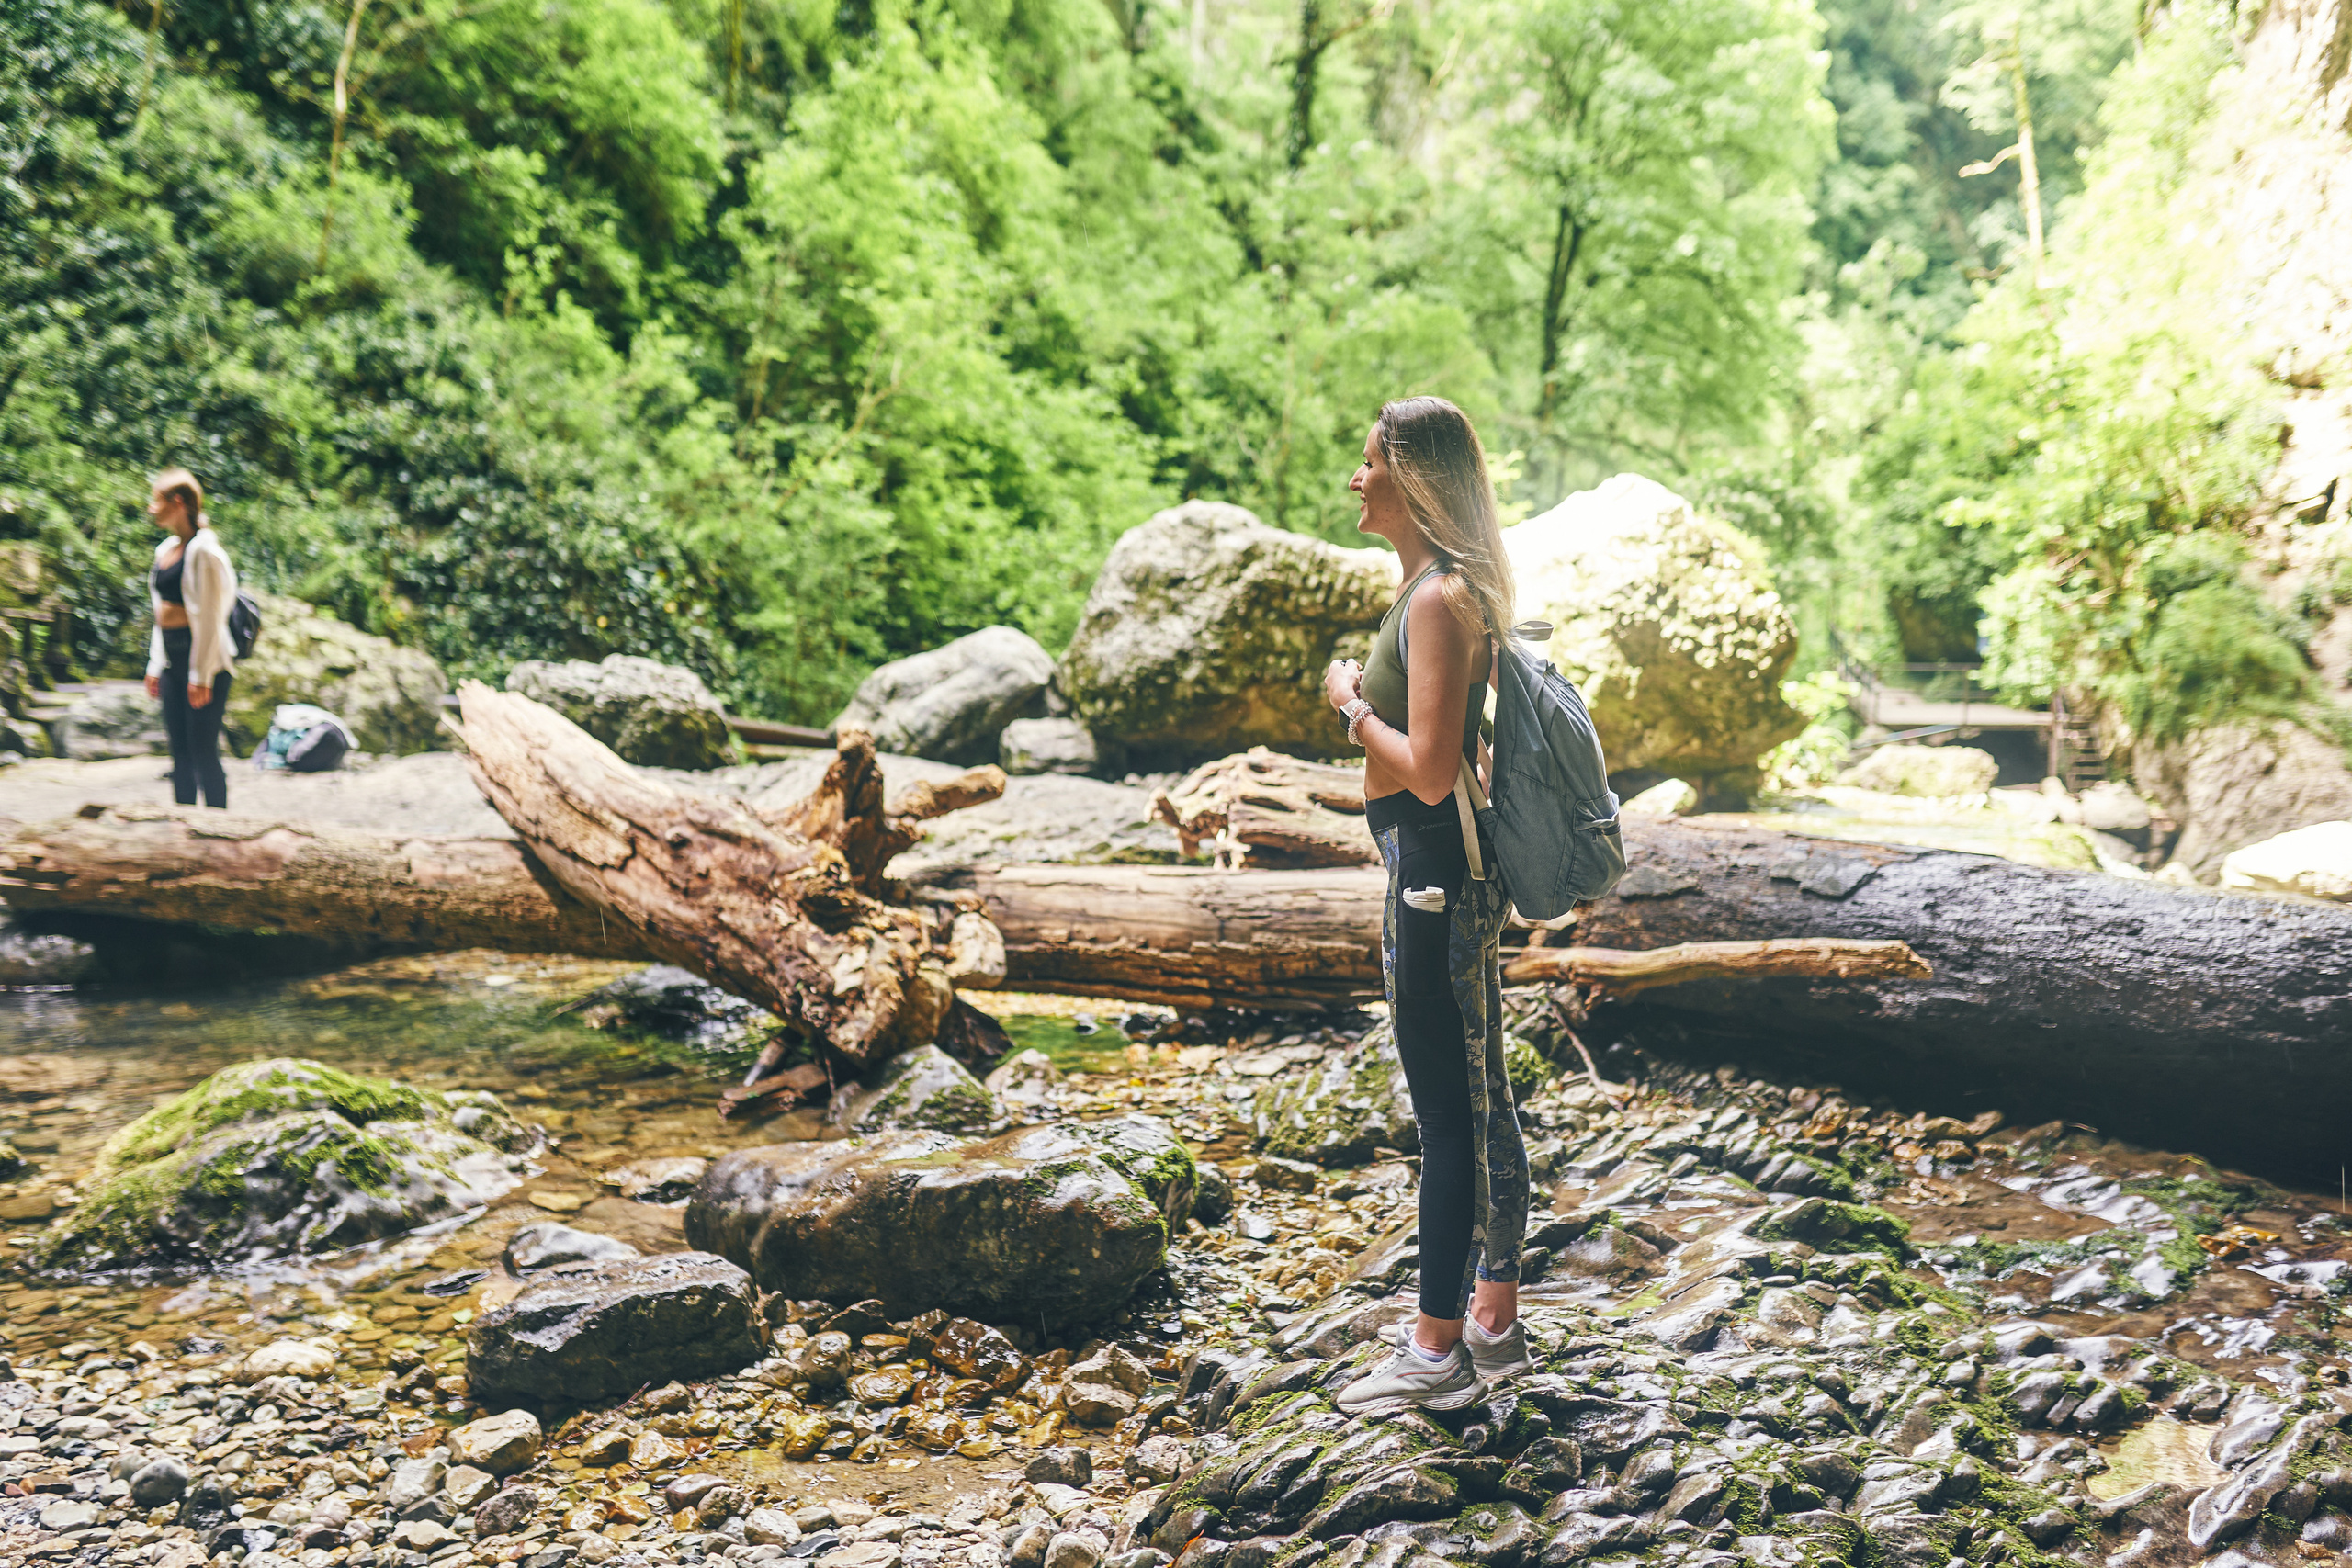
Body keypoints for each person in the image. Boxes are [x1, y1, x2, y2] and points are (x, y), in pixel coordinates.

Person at [1322, 397, 1532, 1416]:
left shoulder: (1438, 600)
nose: (1355, 480)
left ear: (1411, 476)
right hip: (1437, 862)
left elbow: (1430, 762)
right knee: (1479, 1094)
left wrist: (1351, 710)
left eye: (1368, 463)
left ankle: (1436, 1351)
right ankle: (1490, 1319)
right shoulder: (1435, 589)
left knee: (1448, 1111)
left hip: (1432, 872)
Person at [142, 468, 239, 808]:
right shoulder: (165, 550)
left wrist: (201, 676)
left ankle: (219, 830)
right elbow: (160, 614)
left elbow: (212, 618)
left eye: (157, 500)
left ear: (178, 502)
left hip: (207, 666)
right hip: (172, 662)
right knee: (179, 752)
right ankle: (184, 831)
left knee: (203, 751)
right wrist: (155, 664)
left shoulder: (205, 552)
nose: (151, 507)